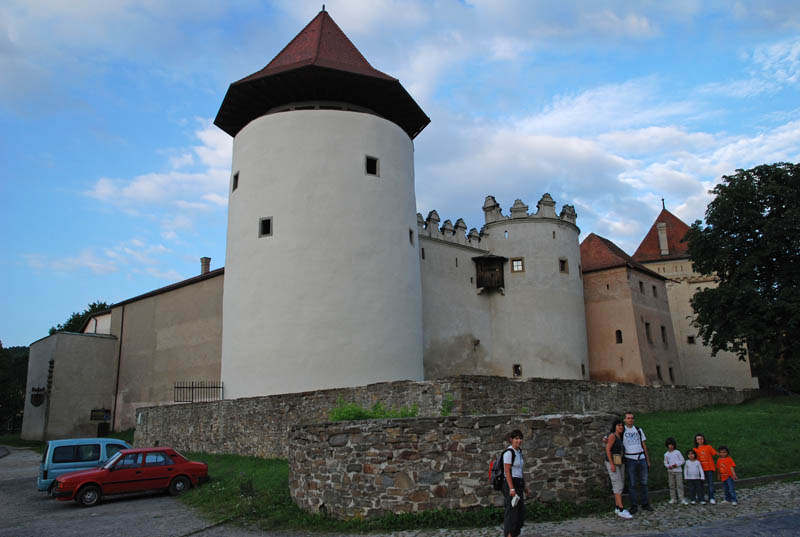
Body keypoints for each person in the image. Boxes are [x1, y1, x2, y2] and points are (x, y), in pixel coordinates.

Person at [502, 429, 531, 537]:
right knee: (512, 513)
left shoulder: (518, 452)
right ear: (511, 439)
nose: (519, 441)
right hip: (510, 484)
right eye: (516, 438)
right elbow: (507, 471)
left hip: (519, 483)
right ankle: (509, 535)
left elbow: (520, 471)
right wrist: (511, 488)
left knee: (521, 513)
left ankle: (514, 534)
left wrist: (525, 486)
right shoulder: (509, 453)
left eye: (520, 438)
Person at [622, 412, 651, 513]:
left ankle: (645, 503)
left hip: (641, 457)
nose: (630, 420)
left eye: (632, 418)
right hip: (630, 458)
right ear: (625, 420)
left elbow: (644, 445)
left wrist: (647, 460)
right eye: (628, 418)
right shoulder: (622, 430)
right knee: (632, 483)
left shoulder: (638, 430)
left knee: (644, 482)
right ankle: (633, 505)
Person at [605, 419, 633, 518]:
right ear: (615, 426)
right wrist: (611, 464)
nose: (620, 427)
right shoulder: (612, 436)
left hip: (620, 462)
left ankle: (617, 507)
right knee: (618, 485)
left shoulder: (620, 436)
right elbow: (608, 449)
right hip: (613, 462)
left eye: (621, 425)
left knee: (619, 484)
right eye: (618, 425)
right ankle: (621, 509)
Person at [694, 433, 718, 504]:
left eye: (701, 439)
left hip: (709, 468)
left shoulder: (708, 447)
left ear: (703, 439)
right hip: (700, 469)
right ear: (696, 441)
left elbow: (715, 453)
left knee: (710, 484)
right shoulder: (695, 449)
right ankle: (702, 497)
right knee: (701, 484)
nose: (700, 440)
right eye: (698, 439)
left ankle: (711, 497)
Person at [663, 437, 686, 505]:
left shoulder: (677, 452)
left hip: (678, 471)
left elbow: (682, 460)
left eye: (672, 445)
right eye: (669, 445)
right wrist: (668, 466)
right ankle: (673, 498)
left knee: (679, 485)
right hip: (670, 471)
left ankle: (681, 498)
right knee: (671, 485)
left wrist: (677, 464)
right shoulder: (666, 454)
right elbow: (665, 462)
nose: (671, 446)